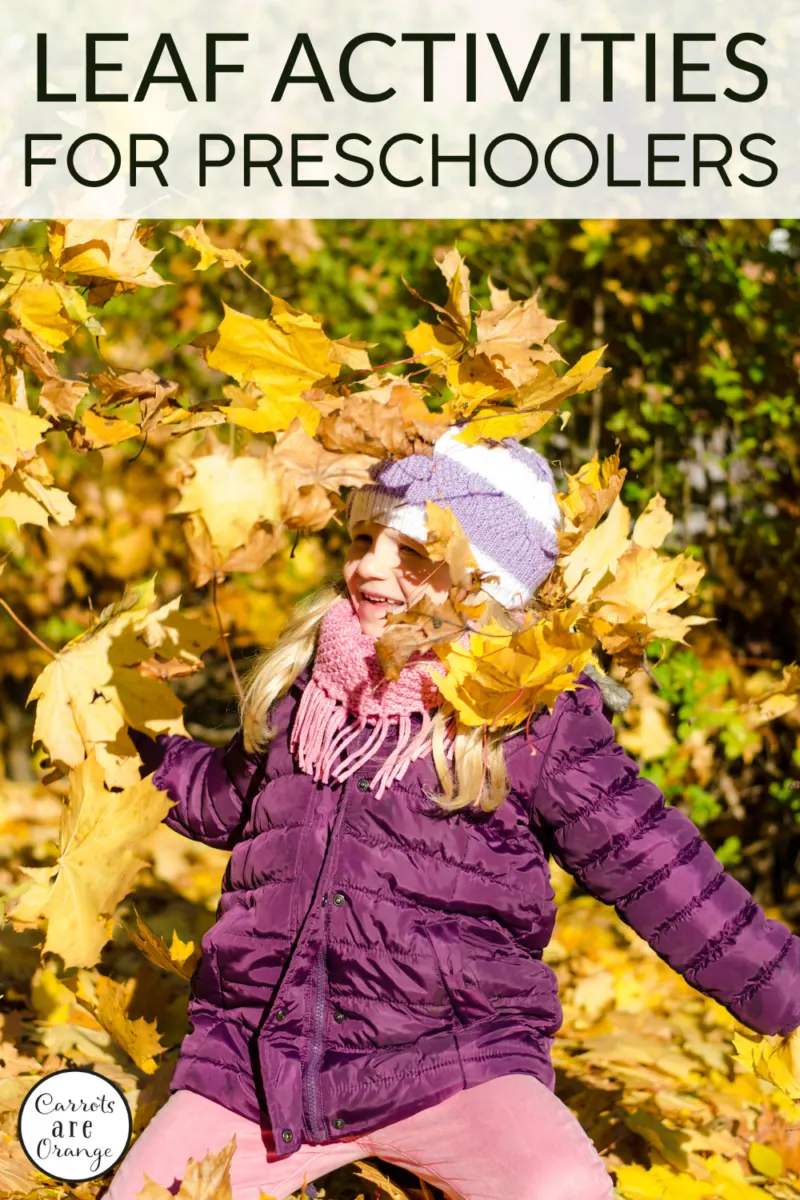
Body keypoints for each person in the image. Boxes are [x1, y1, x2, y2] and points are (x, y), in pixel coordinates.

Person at [107, 428, 800, 1200]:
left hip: (454, 1062)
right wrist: (114, 750)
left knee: (563, 1190)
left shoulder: (530, 720)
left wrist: (785, 990)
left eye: (410, 554)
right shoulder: (312, 693)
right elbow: (225, 799)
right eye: (364, 538)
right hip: (260, 1068)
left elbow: (657, 866)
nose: (369, 566)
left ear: (487, 584)